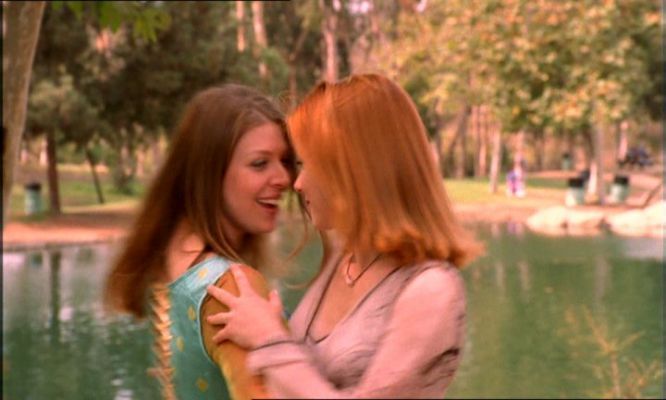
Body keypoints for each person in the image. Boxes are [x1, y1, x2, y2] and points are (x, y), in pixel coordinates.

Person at [206, 74, 482, 398]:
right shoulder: (344, 258)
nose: (297, 183)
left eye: (311, 165)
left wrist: (270, 339)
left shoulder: (432, 289)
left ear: (357, 171)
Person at [103, 84, 299, 399]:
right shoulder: (232, 289)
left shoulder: (172, 259)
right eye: (260, 163)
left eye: (284, 161)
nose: (284, 179)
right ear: (209, 173)